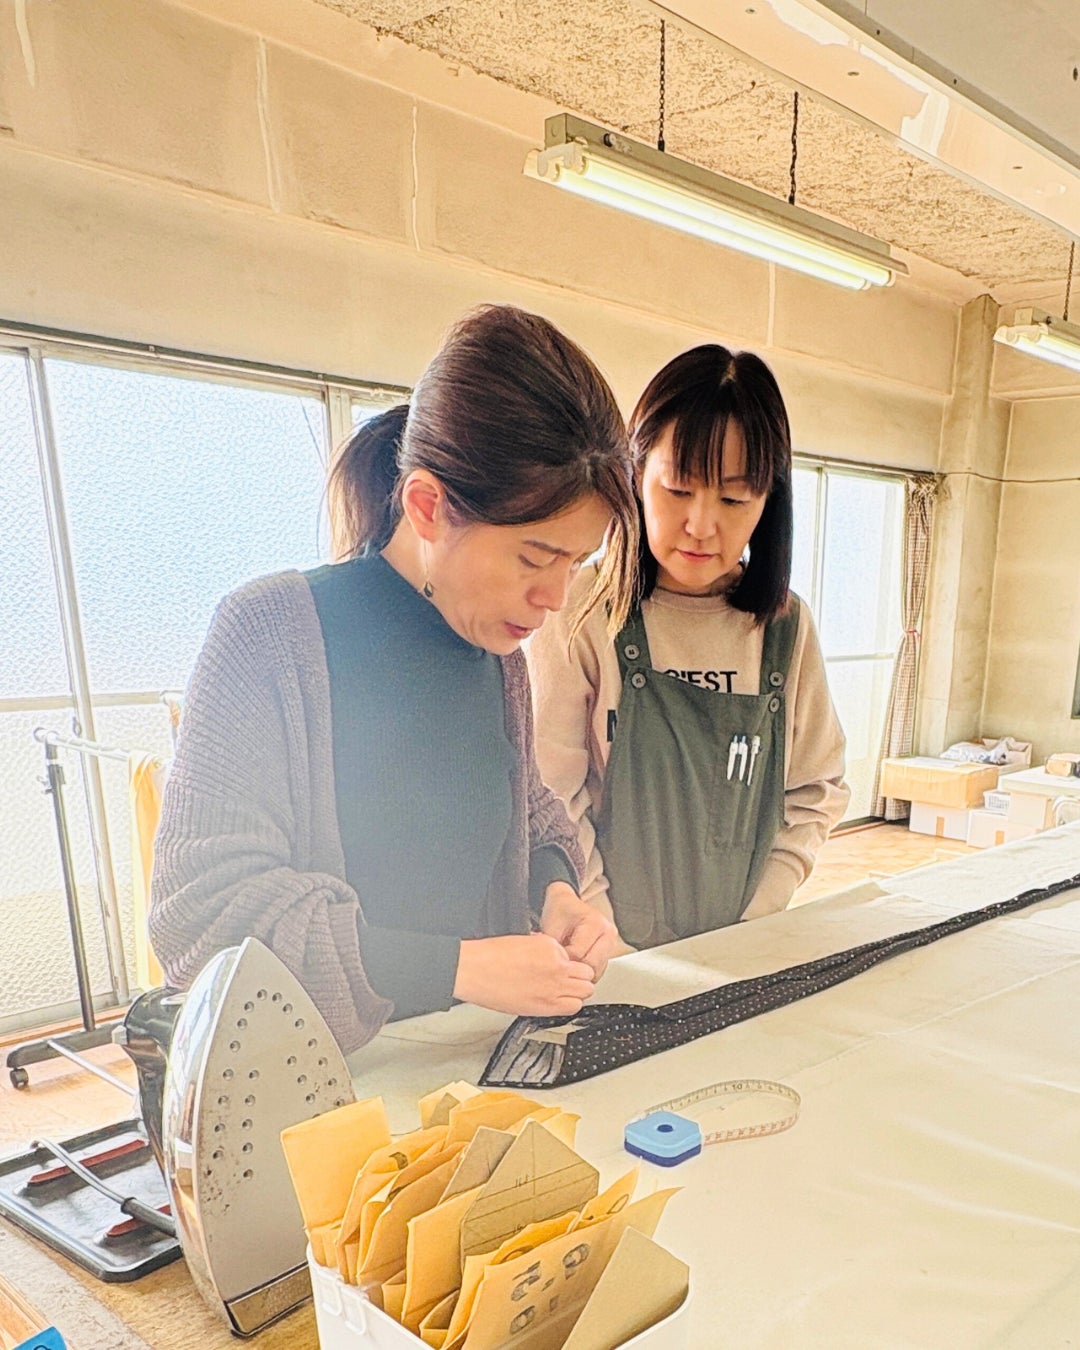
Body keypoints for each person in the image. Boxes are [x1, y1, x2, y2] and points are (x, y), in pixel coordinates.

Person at [149, 305, 637, 1054]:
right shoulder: (270, 635)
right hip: (318, 1081)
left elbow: (528, 806)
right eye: (535, 558)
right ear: (427, 506)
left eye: (577, 562)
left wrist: (556, 892)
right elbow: (203, 914)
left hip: (472, 1064)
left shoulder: (497, 651)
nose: (554, 596)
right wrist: (457, 968)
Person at [527, 344, 849, 949]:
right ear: (636, 475)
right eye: (678, 489)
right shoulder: (581, 610)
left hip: (741, 945)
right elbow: (553, 795)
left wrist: (755, 919)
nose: (702, 525)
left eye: (734, 499)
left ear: (768, 501)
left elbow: (814, 791)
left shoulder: (786, 627)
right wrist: (604, 934)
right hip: (603, 947)